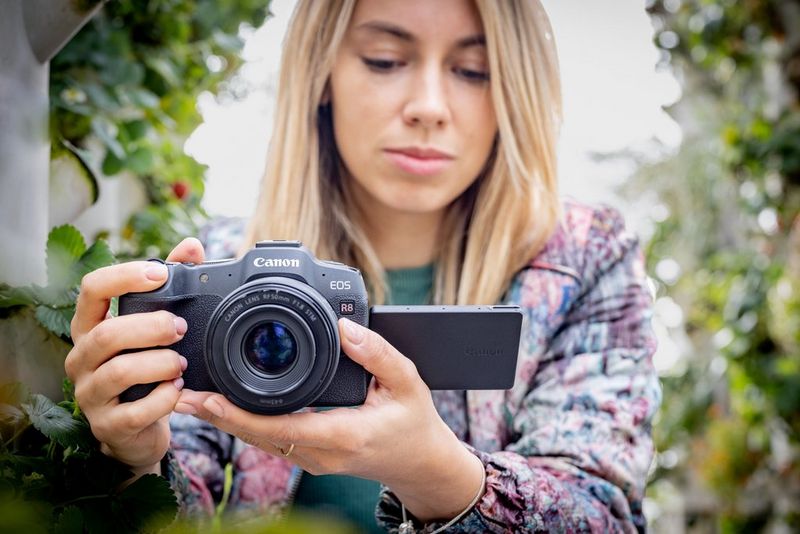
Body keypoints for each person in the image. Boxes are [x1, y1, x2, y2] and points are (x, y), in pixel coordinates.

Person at [65, 0, 662, 531]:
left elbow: (603, 511)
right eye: (384, 59)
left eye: (472, 70)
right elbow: (181, 511)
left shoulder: (587, 259)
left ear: (514, 87)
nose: (428, 107)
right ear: (323, 73)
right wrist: (133, 458)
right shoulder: (216, 261)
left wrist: (435, 473)